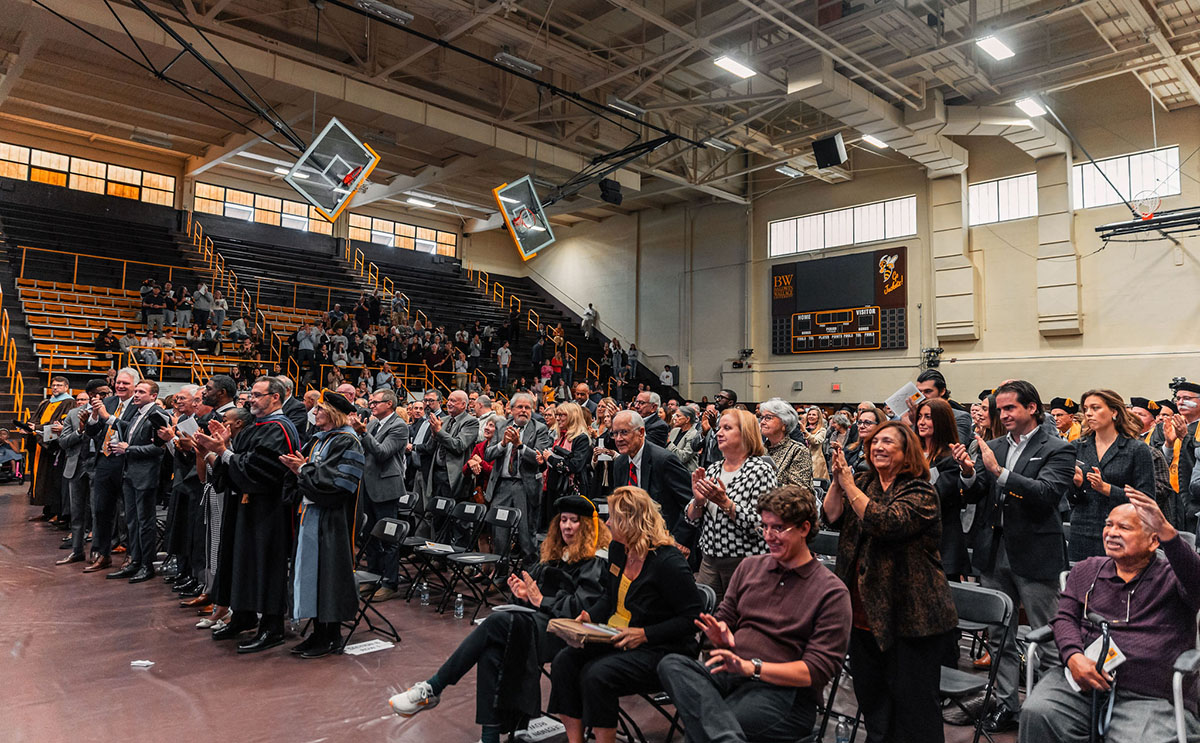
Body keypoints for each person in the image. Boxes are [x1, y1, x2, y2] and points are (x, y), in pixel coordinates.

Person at [388, 495, 611, 741]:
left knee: (496, 626)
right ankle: (489, 736)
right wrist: (523, 596)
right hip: (534, 625)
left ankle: (432, 687)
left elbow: (581, 609)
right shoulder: (554, 554)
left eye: (575, 521)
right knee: (492, 648)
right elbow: (532, 595)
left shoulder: (594, 562)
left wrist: (540, 601)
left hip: (564, 634)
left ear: (588, 526)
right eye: (564, 520)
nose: (567, 527)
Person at [658, 485, 853, 743]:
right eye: (765, 527)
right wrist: (721, 638)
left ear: (805, 528)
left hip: (784, 693)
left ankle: (723, 734)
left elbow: (814, 672)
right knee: (671, 664)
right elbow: (724, 621)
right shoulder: (750, 568)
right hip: (732, 674)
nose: (769, 536)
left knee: (704, 726)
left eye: (778, 528)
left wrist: (752, 668)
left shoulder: (831, 592)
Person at [1019, 490, 1200, 742]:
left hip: (1148, 693)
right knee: (1038, 712)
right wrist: (1073, 657)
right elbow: (1064, 619)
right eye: (1108, 525)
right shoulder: (1087, 569)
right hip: (1081, 679)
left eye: (1124, 527)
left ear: (1153, 541)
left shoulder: (1173, 577)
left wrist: (1168, 532)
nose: (1112, 533)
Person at [822, 420, 958, 743]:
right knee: (874, 702)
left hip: (911, 617)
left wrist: (849, 485)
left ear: (906, 451)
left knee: (915, 708)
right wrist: (838, 482)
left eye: (888, 442)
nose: (878, 446)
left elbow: (885, 522)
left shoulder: (920, 490)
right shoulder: (864, 480)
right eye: (875, 441)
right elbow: (830, 515)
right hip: (862, 612)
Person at [955, 379, 1075, 732]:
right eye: (1000, 409)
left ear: (1032, 408)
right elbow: (977, 492)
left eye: (1010, 408)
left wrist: (999, 472)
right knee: (999, 636)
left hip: (1036, 552)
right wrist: (968, 472)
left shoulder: (1058, 448)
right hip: (994, 550)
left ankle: (1049, 710)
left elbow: (1048, 493)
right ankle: (1007, 705)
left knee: (1047, 637)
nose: (1003, 414)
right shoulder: (992, 445)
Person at [547, 486, 703, 743]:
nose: (607, 523)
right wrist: (590, 617)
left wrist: (645, 634)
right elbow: (610, 597)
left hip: (662, 648)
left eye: (614, 519)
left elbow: (692, 619)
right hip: (616, 636)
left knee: (597, 674)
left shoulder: (668, 561)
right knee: (564, 661)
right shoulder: (619, 549)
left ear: (632, 522)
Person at [197, 376, 301, 654]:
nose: (250, 399)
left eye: (257, 395)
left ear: (275, 397)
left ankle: (272, 627)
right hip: (246, 505)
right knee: (240, 560)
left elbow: (262, 468)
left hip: (268, 509)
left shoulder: (280, 428)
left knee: (265, 565)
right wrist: (225, 447)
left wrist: (224, 452)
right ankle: (242, 615)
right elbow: (238, 460)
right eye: (250, 395)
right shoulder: (259, 426)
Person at [280, 390, 364, 659]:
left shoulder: (348, 442)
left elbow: (339, 484)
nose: (314, 413)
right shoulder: (318, 441)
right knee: (312, 574)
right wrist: (299, 470)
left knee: (329, 574)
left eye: (319, 409)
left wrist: (303, 471)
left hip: (333, 518)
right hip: (310, 514)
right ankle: (318, 631)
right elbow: (302, 469)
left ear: (333, 414)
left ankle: (332, 636)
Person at [686, 408, 778, 602]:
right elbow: (691, 518)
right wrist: (698, 502)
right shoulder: (713, 468)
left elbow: (762, 524)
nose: (718, 433)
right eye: (719, 428)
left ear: (745, 433)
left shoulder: (760, 471)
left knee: (741, 621)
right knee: (706, 622)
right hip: (709, 561)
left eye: (727, 428)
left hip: (744, 562)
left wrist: (725, 503)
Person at [1068, 389, 1156, 561]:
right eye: (1086, 409)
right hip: (1082, 530)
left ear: (1114, 412)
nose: (1089, 414)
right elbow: (1071, 499)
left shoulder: (1136, 449)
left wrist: (1107, 489)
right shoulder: (1076, 447)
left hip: (1122, 532)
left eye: (1095, 408)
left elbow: (1146, 499)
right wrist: (1076, 486)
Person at [108, 380, 169, 583]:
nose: (136, 395)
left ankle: (147, 564)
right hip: (130, 474)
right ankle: (135, 560)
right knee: (132, 521)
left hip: (146, 475)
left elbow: (158, 449)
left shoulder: (158, 416)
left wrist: (129, 450)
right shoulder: (137, 413)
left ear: (153, 396)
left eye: (141, 392)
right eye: (136, 391)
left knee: (145, 522)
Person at [351, 389, 409, 602]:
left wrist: (363, 433)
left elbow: (382, 452)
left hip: (386, 488)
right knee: (369, 535)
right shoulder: (374, 423)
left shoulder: (399, 426)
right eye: (371, 402)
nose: (372, 405)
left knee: (389, 537)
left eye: (376, 402)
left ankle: (389, 582)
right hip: (367, 485)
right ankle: (374, 576)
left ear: (389, 404)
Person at [484, 392, 552, 563]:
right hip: (502, 486)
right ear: (511, 409)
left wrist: (519, 446)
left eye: (527, 407)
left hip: (525, 486)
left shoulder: (540, 429)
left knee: (526, 537)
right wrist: (503, 444)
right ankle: (500, 576)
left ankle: (530, 575)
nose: (523, 411)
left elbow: (539, 459)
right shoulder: (501, 427)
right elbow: (488, 454)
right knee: (499, 533)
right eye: (520, 407)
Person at [82, 368, 138, 573]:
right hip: (104, 460)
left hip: (125, 462)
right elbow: (92, 432)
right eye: (118, 382)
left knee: (128, 514)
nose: (120, 386)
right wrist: (95, 416)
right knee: (101, 510)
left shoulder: (139, 405)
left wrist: (107, 417)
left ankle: (131, 555)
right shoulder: (109, 402)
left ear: (135, 386)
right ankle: (101, 553)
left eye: (125, 383)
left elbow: (133, 429)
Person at [611, 410, 692, 536]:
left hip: (665, 538)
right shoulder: (620, 463)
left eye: (624, 432)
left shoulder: (664, 460)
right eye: (615, 433)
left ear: (641, 432)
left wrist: (681, 541)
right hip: (633, 538)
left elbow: (690, 502)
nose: (618, 439)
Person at [914, 398, 970, 580]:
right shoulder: (910, 454)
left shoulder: (952, 457)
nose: (921, 422)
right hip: (912, 538)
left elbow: (937, 497)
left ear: (941, 421)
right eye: (920, 416)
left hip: (943, 542)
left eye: (928, 417)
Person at [56, 384, 105, 566]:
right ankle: (77, 551)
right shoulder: (73, 414)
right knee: (76, 513)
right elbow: (63, 442)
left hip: (97, 464)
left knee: (97, 511)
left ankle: (96, 552)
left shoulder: (107, 412)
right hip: (76, 465)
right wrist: (80, 430)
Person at [417, 389, 479, 510]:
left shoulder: (471, 422)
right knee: (437, 514)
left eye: (453, 401)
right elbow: (430, 447)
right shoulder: (443, 420)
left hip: (454, 477)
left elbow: (458, 446)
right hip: (436, 474)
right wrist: (434, 436)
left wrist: (439, 432)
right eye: (449, 400)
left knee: (454, 518)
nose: (449, 403)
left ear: (463, 405)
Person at [541, 402, 593, 515]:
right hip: (555, 488)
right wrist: (543, 461)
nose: (558, 418)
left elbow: (574, 466)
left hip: (571, 490)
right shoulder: (560, 437)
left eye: (562, 415)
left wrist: (550, 459)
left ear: (572, 416)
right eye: (557, 415)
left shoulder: (581, 438)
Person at [758, 398, 813, 488]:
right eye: (762, 418)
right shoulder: (759, 450)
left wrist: (764, 484)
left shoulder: (798, 451)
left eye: (768, 418)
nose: (762, 422)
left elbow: (800, 490)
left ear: (784, 424)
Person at [699, 389, 738, 468]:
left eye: (720, 398)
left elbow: (730, 444)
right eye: (716, 397)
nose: (717, 400)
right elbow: (694, 446)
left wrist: (714, 428)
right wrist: (703, 433)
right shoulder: (712, 416)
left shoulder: (736, 419)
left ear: (730, 402)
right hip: (706, 465)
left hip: (724, 465)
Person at [844, 406, 882, 472]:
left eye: (867, 423)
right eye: (860, 422)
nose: (861, 426)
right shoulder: (850, 449)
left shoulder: (882, 452)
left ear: (879, 425)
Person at [665, 406, 701, 472]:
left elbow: (683, 457)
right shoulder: (674, 431)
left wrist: (668, 443)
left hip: (686, 473)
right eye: (675, 416)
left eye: (678, 416)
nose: (675, 418)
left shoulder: (694, 435)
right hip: (671, 470)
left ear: (687, 419)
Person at [800, 406, 829, 480]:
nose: (811, 416)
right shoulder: (804, 429)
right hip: (802, 461)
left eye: (814, 415)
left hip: (816, 462)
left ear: (818, 417)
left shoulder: (822, 430)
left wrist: (804, 432)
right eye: (809, 414)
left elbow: (815, 441)